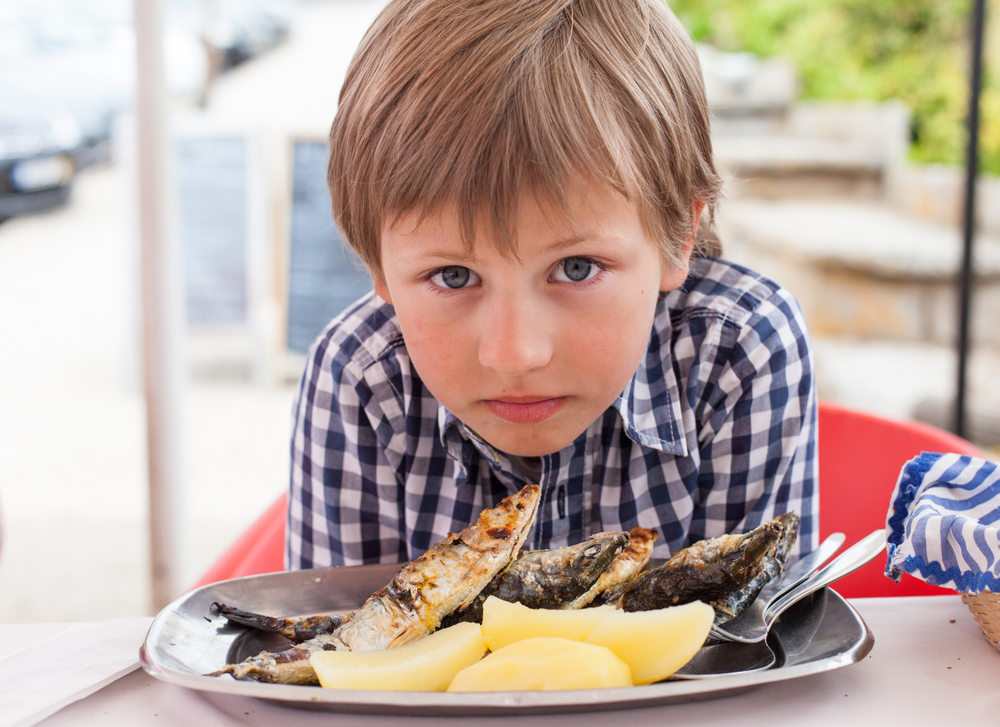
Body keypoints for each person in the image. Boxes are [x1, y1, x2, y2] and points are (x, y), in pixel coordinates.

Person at [287, 0, 818, 570]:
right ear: (377, 265)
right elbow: (340, 631)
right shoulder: (360, 383)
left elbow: (760, 623)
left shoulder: (738, 353)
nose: (515, 354)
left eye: (577, 268)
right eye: (454, 276)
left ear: (679, 235)